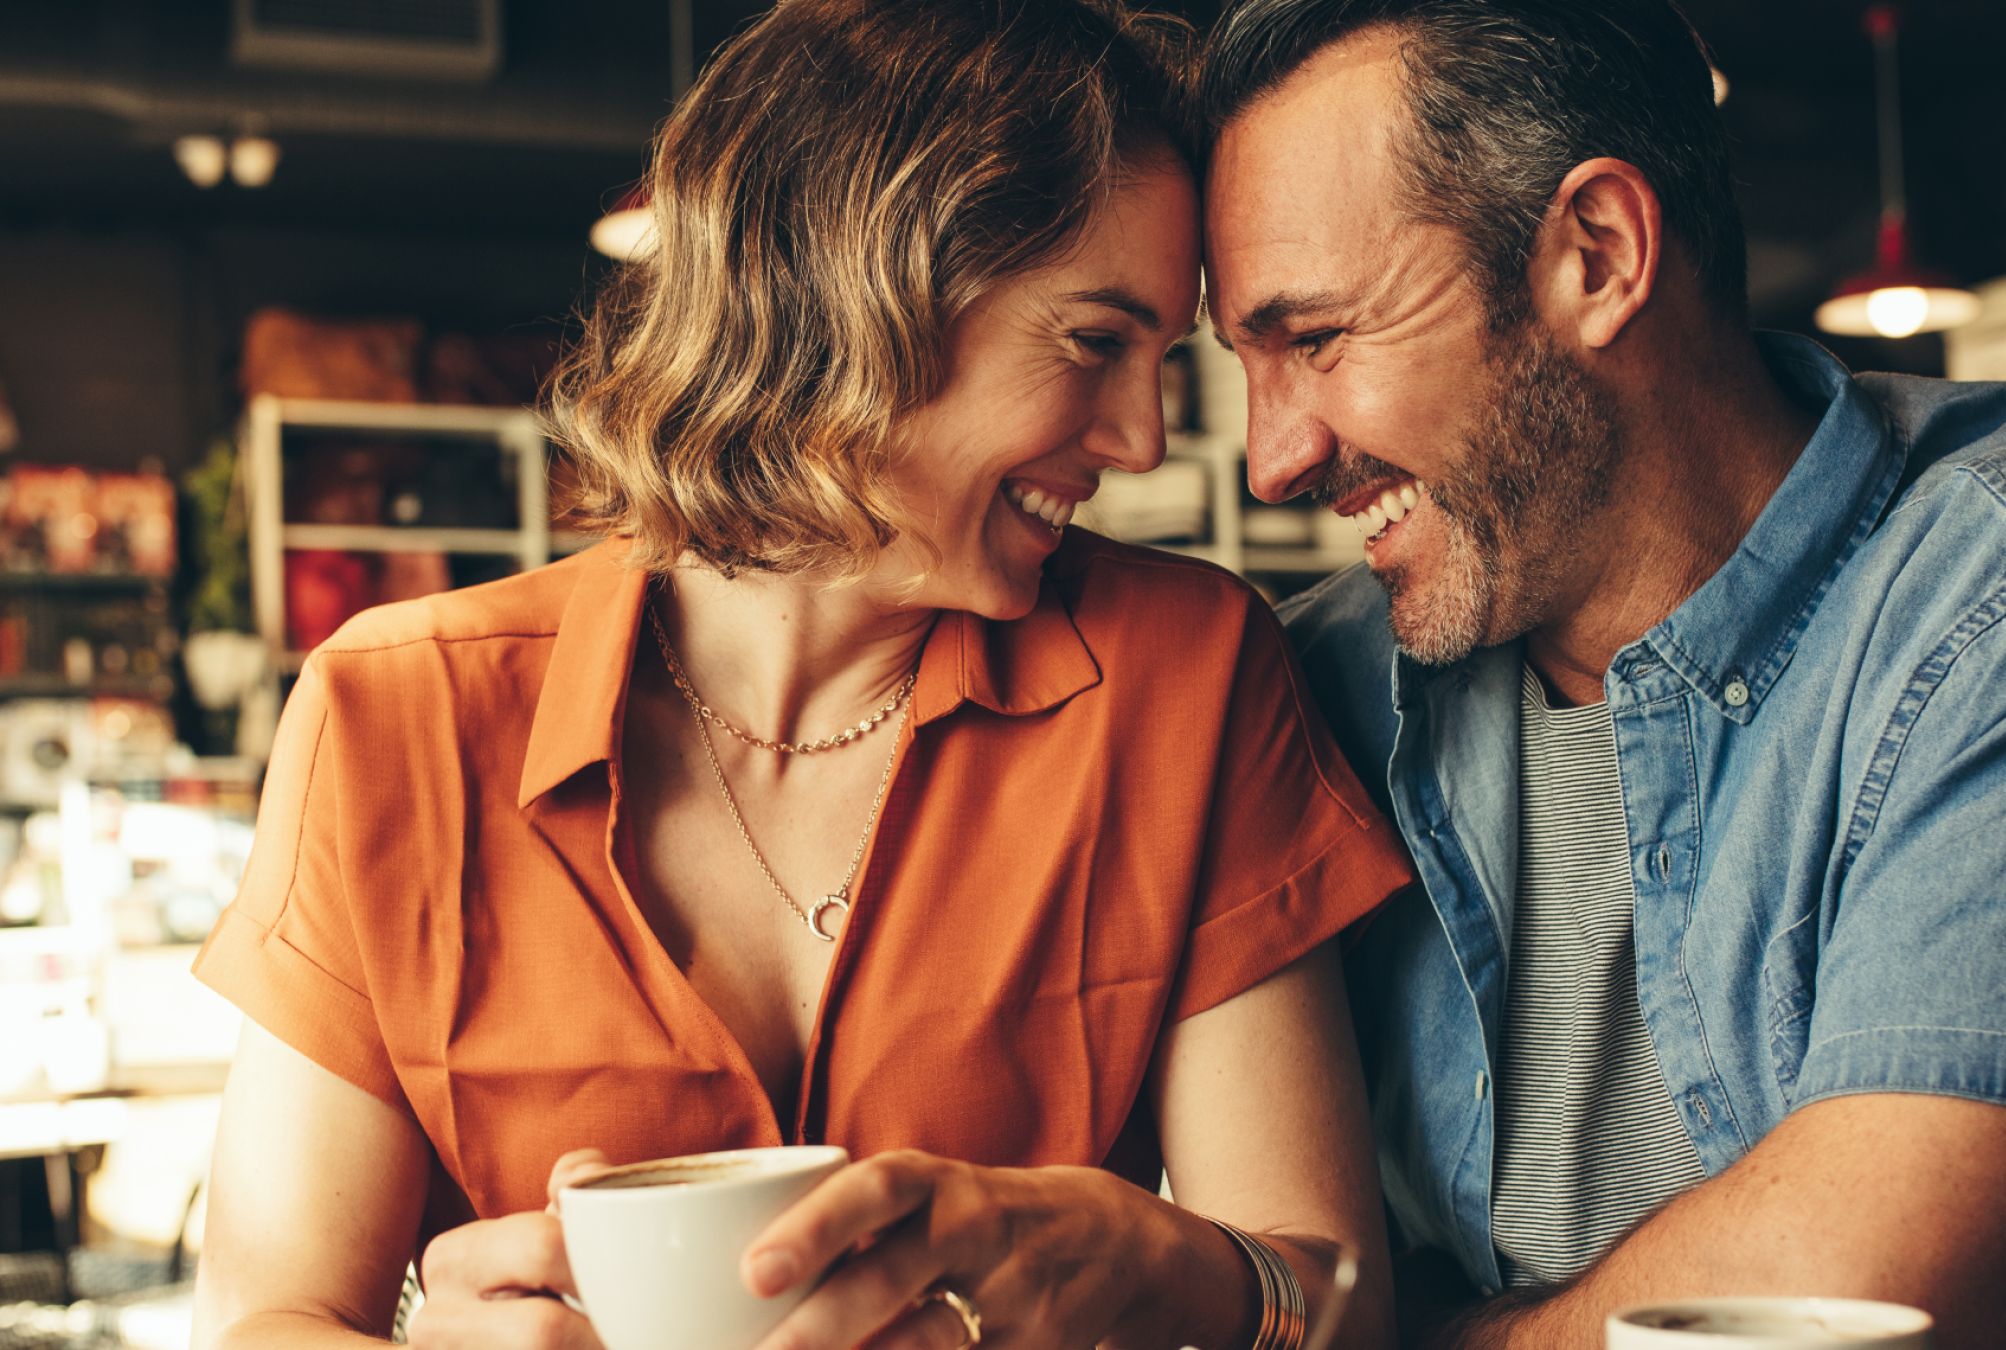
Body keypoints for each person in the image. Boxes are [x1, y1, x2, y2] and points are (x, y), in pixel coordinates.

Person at [189, 3, 1412, 1347]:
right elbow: (269, 1316)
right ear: (852, 288)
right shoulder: (394, 717)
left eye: (1164, 362)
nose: (1144, 438)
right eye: (1094, 344)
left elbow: (1339, 1303)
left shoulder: (1187, 674)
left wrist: (1152, 1258)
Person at [1195, 2, 2006, 1347]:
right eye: (1246, 366)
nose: (1274, 458)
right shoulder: (1299, 684)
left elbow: (1845, 1300)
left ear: (1597, 256)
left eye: (1317, 339)